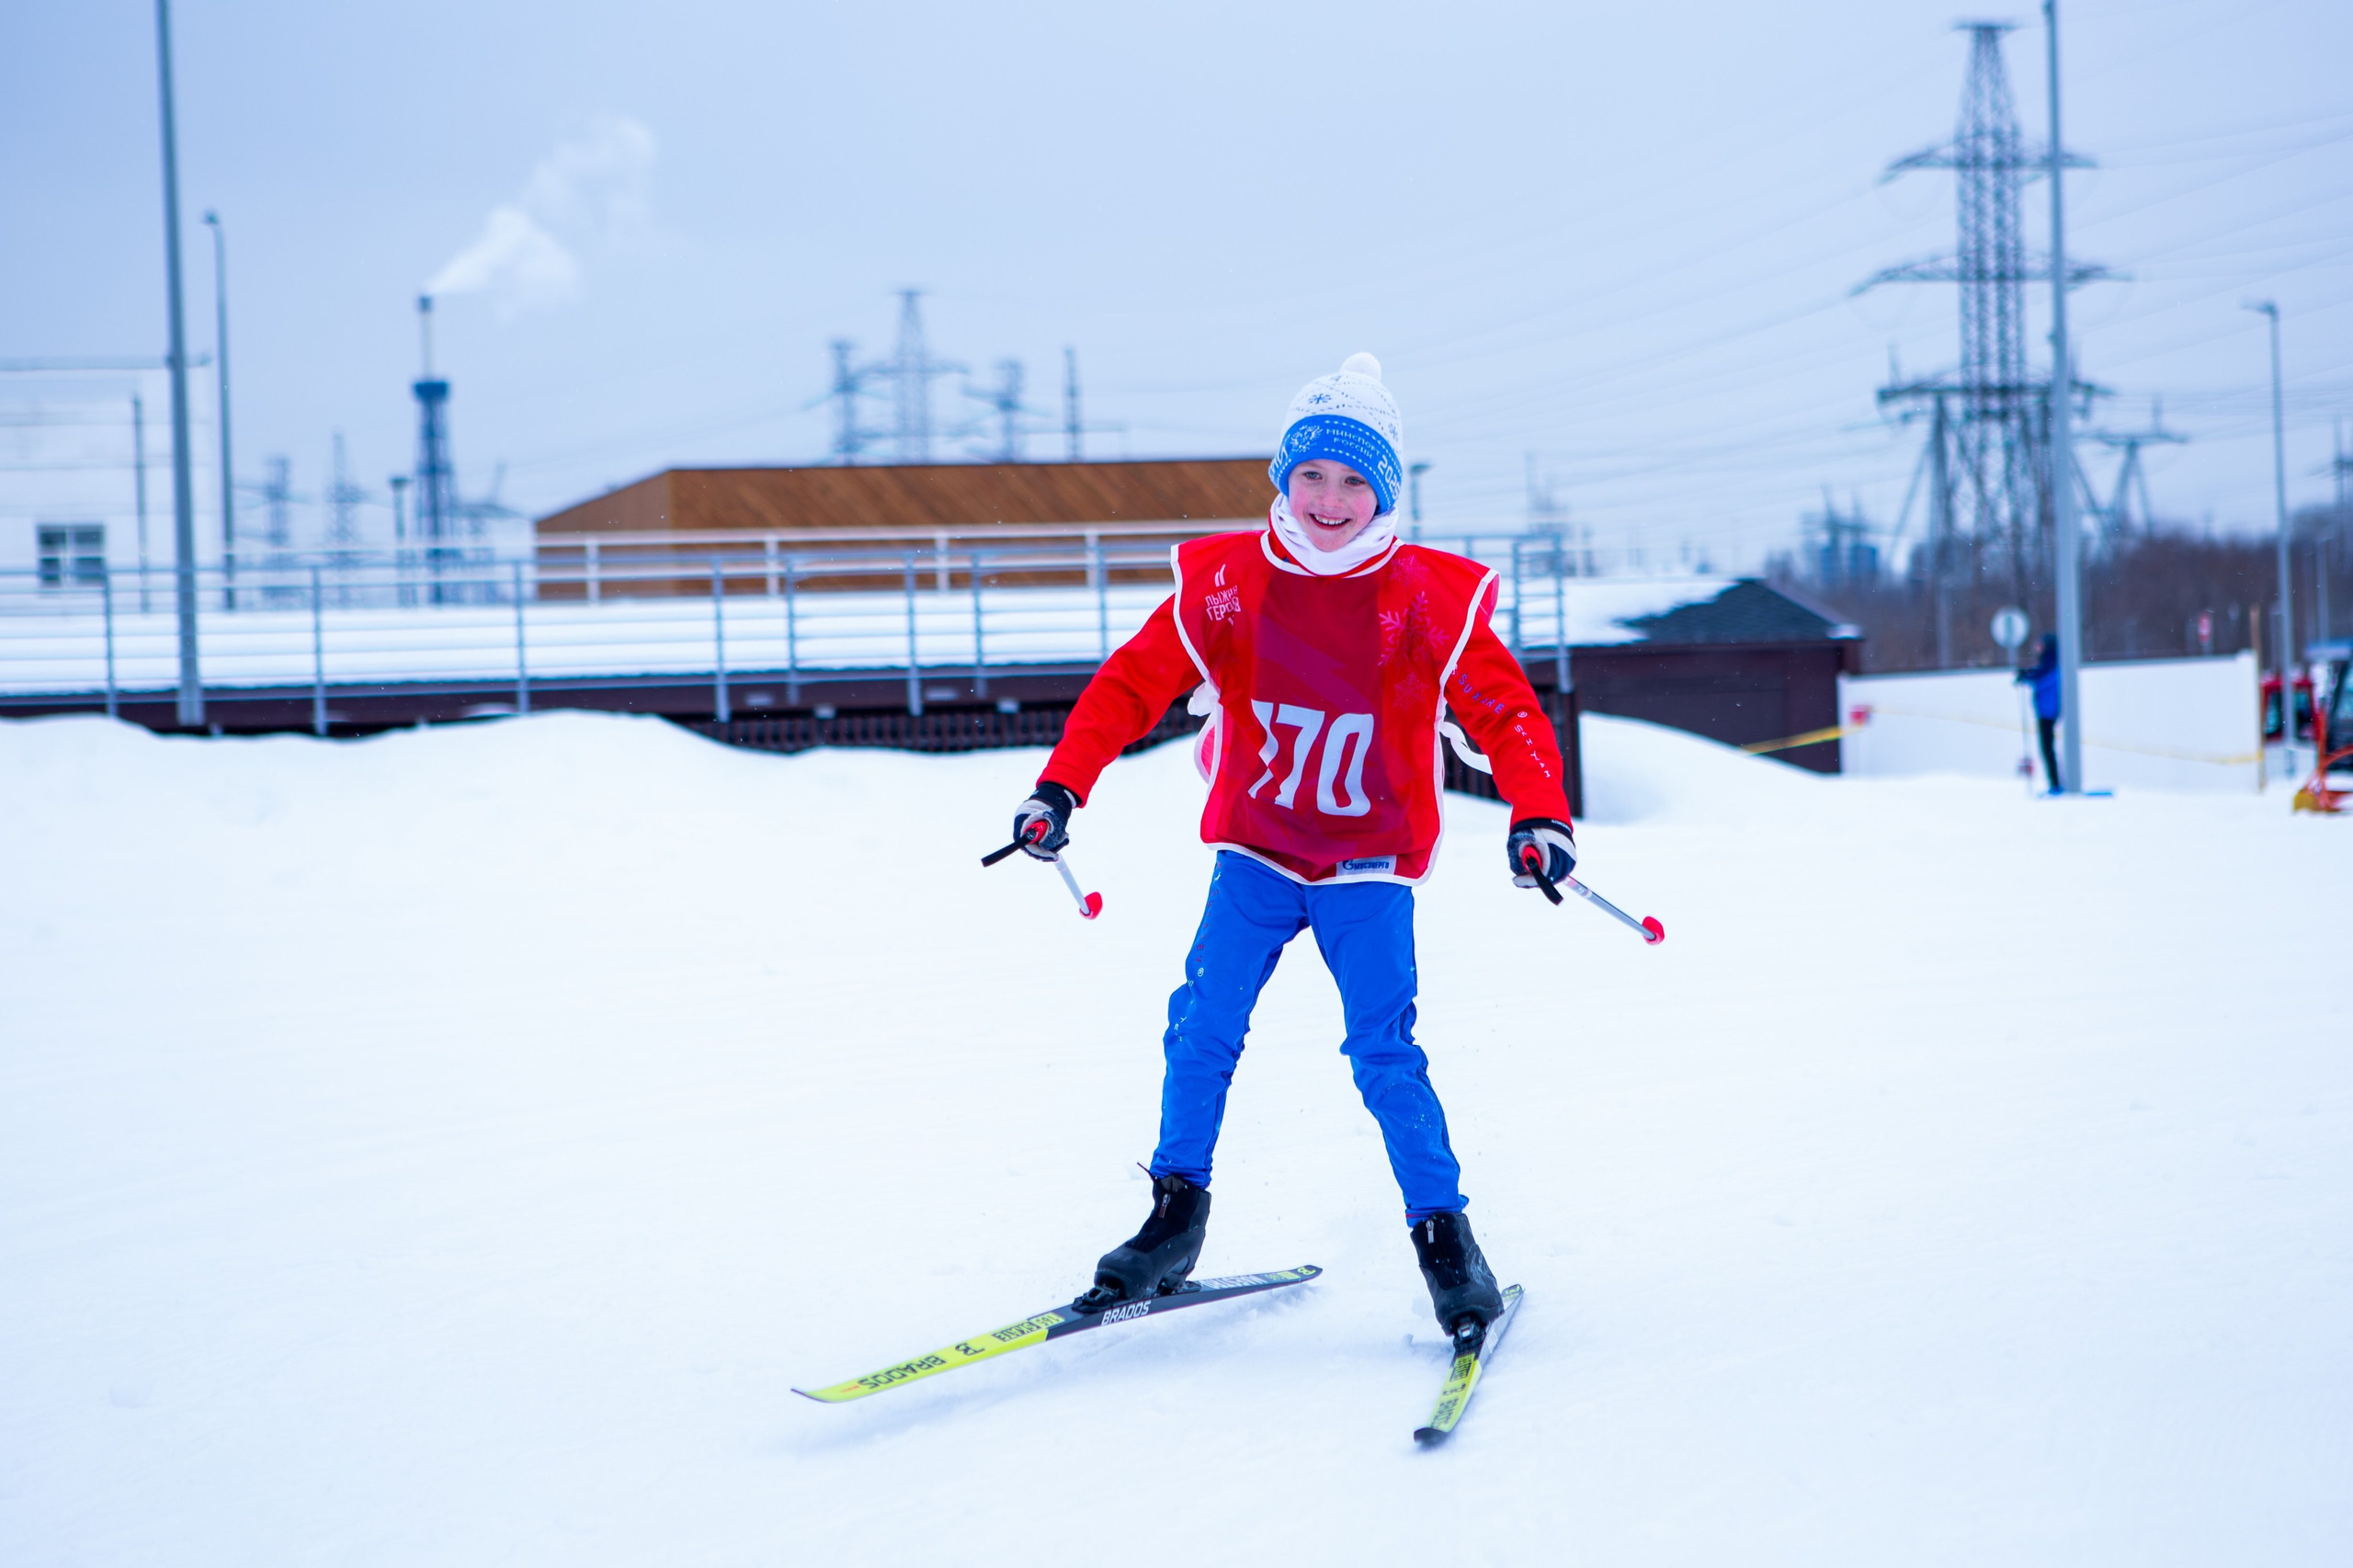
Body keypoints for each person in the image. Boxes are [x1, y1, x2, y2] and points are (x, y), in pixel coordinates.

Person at [1006, 354, 1576, 1341]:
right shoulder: (1232, 584)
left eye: (1355, 480)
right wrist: (1061, 785)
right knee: (1201, 1025)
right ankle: (1173, 1219)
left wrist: (1539, 813)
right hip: (1258, 852)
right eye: (1311, 473)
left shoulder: (1423, 598)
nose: (1329, 499)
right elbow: (1131, 683)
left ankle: (1446, 1242)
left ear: (1384, 493)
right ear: (1282, 476)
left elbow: (1507, 712)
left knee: (1383, 1052)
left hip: (1369, 864)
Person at [2017, 631, 2063, 794]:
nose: (2038, 649)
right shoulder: (2049, 662)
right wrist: (2027, 674)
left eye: (2040, 646)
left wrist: (2026, 675)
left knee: (2047, 748)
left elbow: (2041, 678)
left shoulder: (2052, 663)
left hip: (2048, 712)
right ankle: (2055, 782)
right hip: (2046, 711)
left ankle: (2055, 783)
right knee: (2047, 748)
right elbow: (2038, 674)